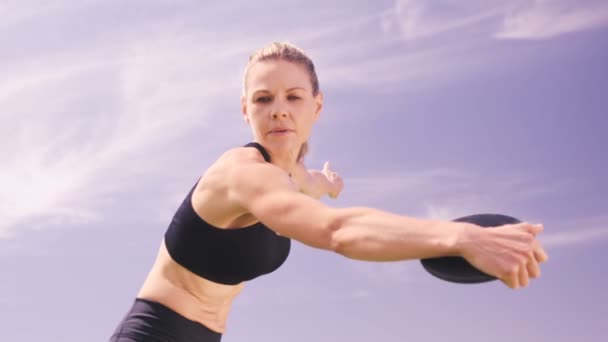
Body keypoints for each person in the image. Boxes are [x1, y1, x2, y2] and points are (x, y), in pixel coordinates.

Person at [109, 41, 548, 342]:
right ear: (246, 110)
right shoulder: (243, 174)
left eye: (293, 97)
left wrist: (327, 184)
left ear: (316, 105)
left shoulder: (293, 178)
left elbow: (311, 185)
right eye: (263, 99)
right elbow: (337, 231)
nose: (278, 109)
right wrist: (459, 236)